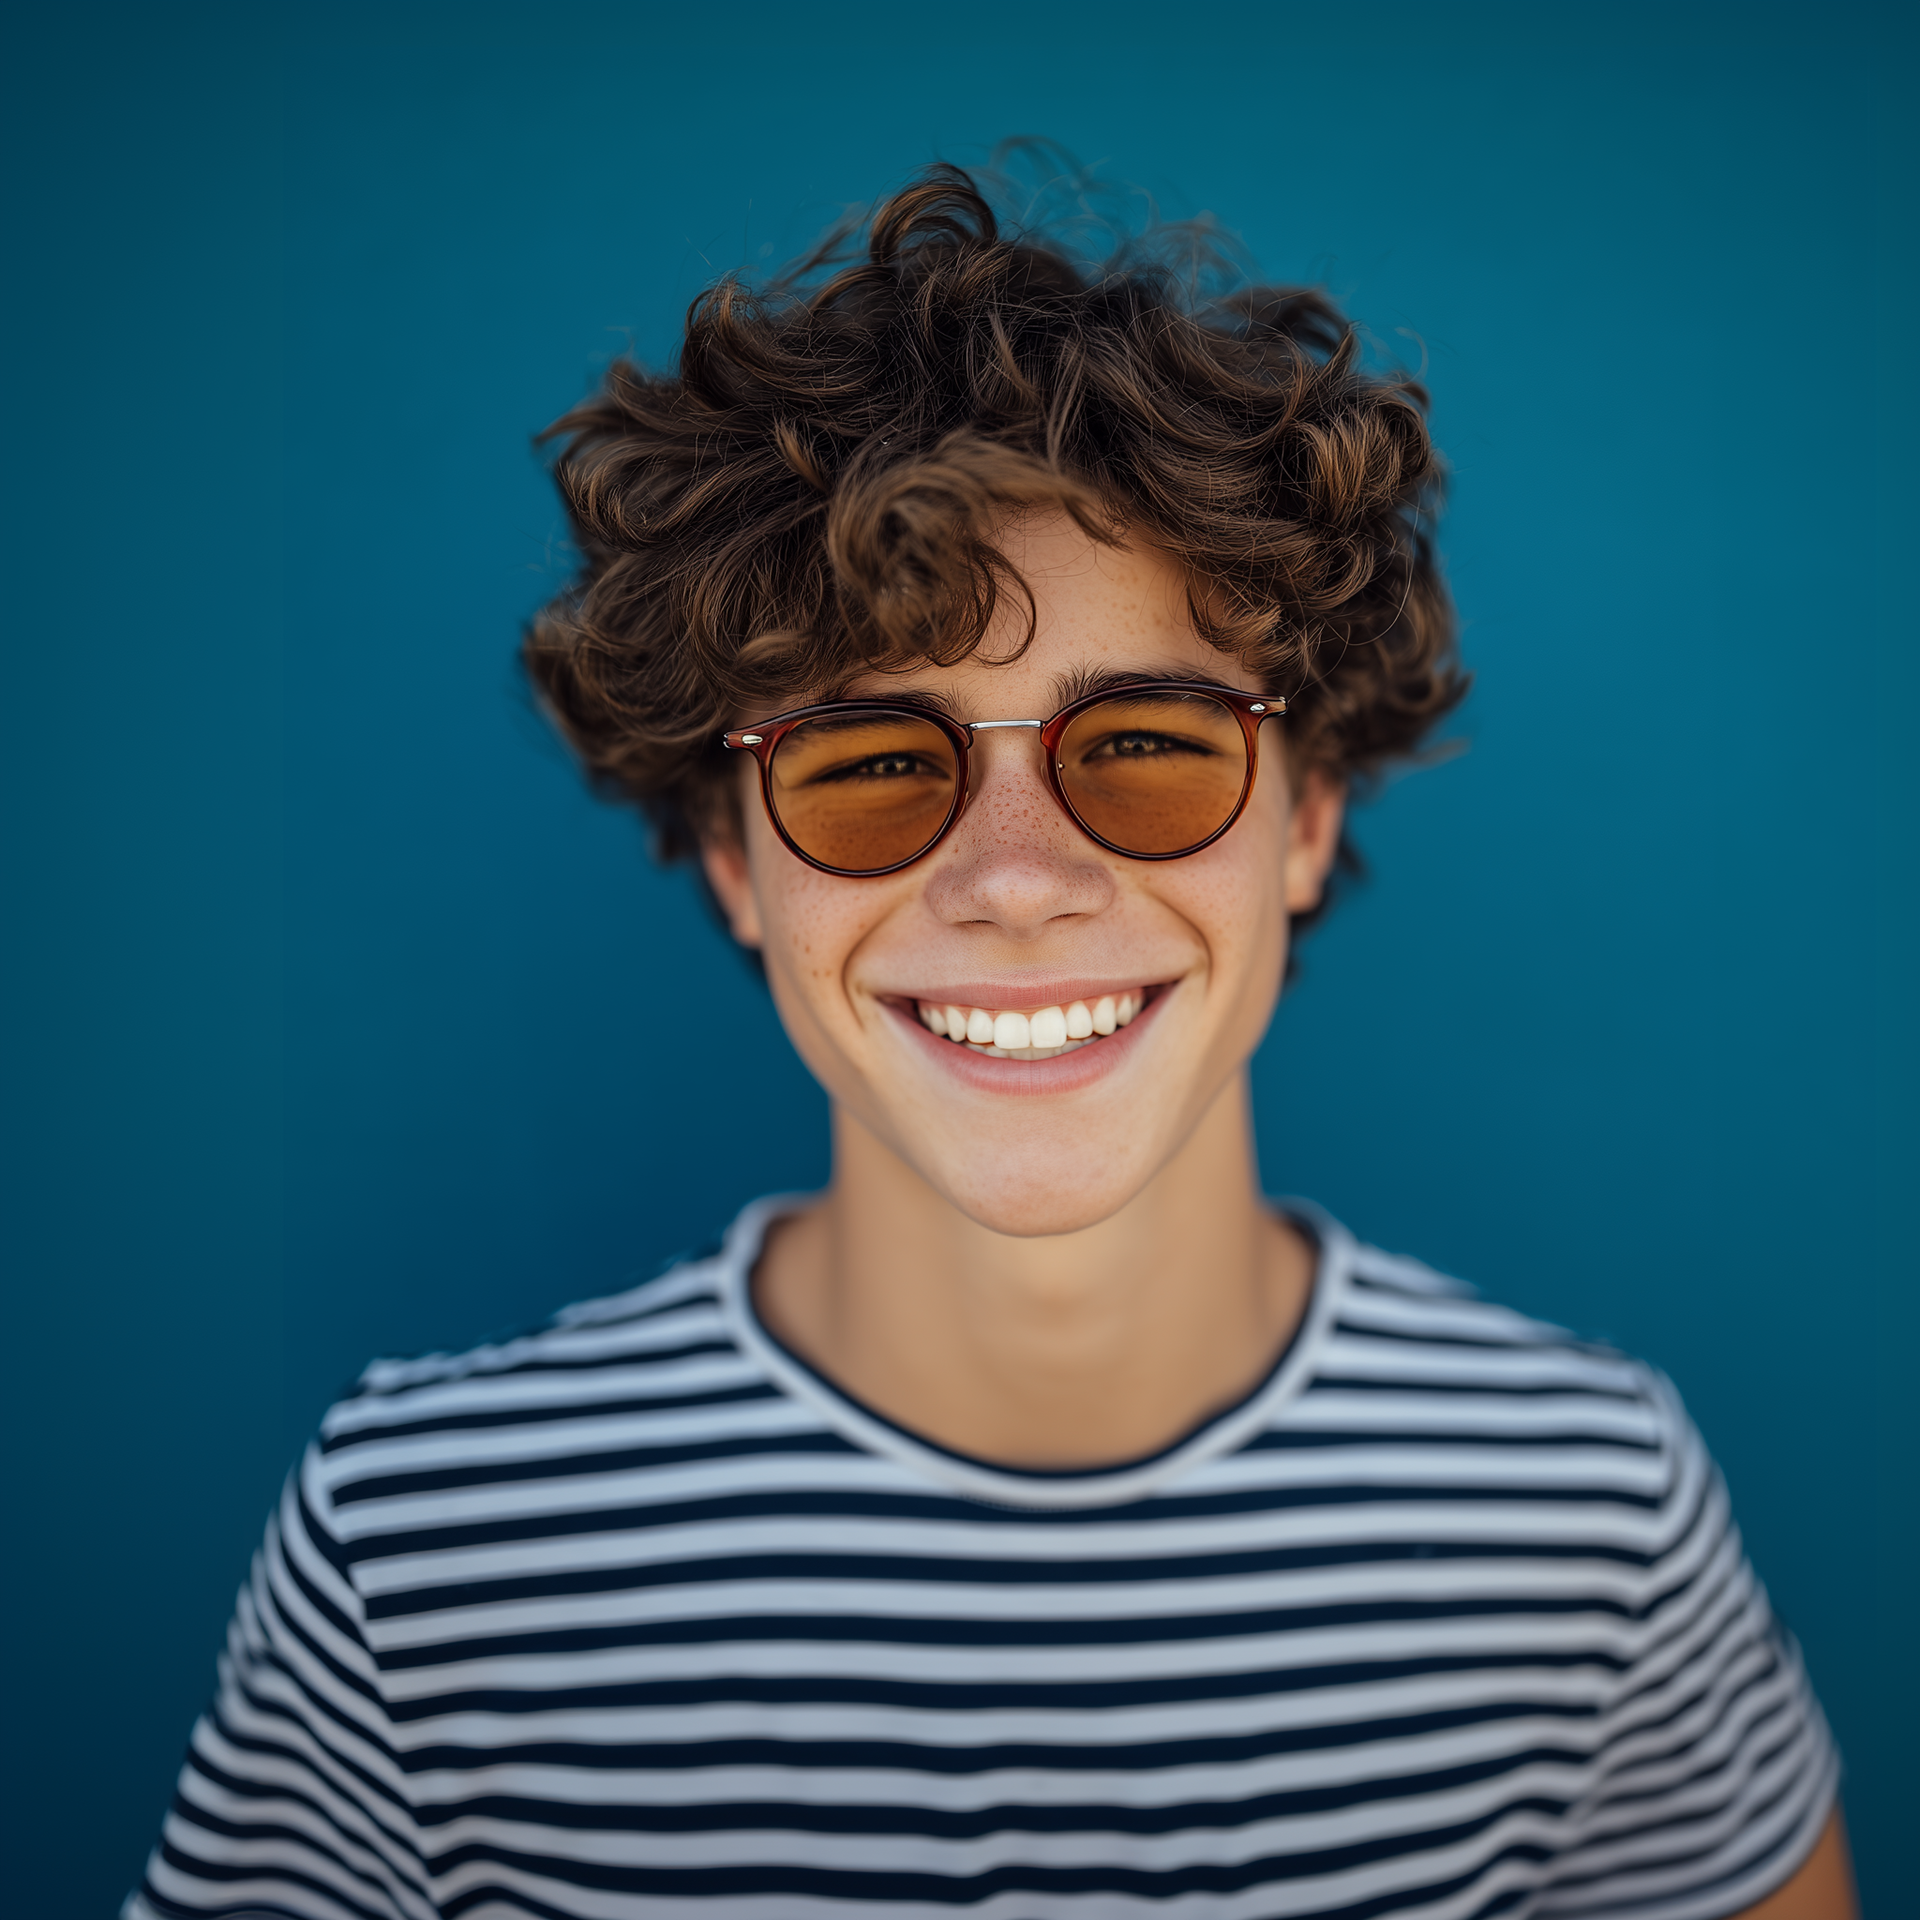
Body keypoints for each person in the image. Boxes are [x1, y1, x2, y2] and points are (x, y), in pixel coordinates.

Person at [128, 160, 1853, 1919]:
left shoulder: (1587, 1516)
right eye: (869, 764)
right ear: (734, 857)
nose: (1017, 884)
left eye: (1153, 746)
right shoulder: (423, 1554)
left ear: (1312, 810)